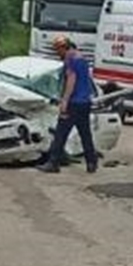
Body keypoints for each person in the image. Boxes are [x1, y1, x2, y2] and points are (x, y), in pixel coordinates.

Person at [37, 35, 99, 174]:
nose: (57, 54)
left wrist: (65, 100)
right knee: (85, 133)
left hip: (73, 103)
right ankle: (91, 162)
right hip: (84, 103)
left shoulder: (70, 59)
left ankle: (53, 163)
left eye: (58, 51)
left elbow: (71, 79)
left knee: (61, 133)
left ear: (63, 48)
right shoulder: (82, 59)